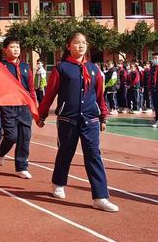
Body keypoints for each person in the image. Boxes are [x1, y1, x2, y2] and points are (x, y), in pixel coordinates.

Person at [37, 32, 118, 212]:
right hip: (68, 119)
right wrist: (41, 115)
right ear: (68, 46)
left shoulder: (94, 69)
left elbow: (99, 95)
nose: (80, 46)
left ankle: (100, 197)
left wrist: (103, 116)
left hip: (90, 120)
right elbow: (50, 94)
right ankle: (58, 182)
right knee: (65, 152)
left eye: (83, 43)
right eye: (76, 43)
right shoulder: (61, 68)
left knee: (94, 156)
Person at [0, 37, 38, 179]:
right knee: (12, 136)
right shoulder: (0, 67)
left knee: (25, 137)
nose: (16, 49)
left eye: (18, 47)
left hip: (24, 105)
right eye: (12, 47)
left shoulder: (26, 67)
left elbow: (31, 88)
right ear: (5, 50)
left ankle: (21, 166)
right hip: (8, 105)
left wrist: (33, 105)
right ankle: (0, 152)